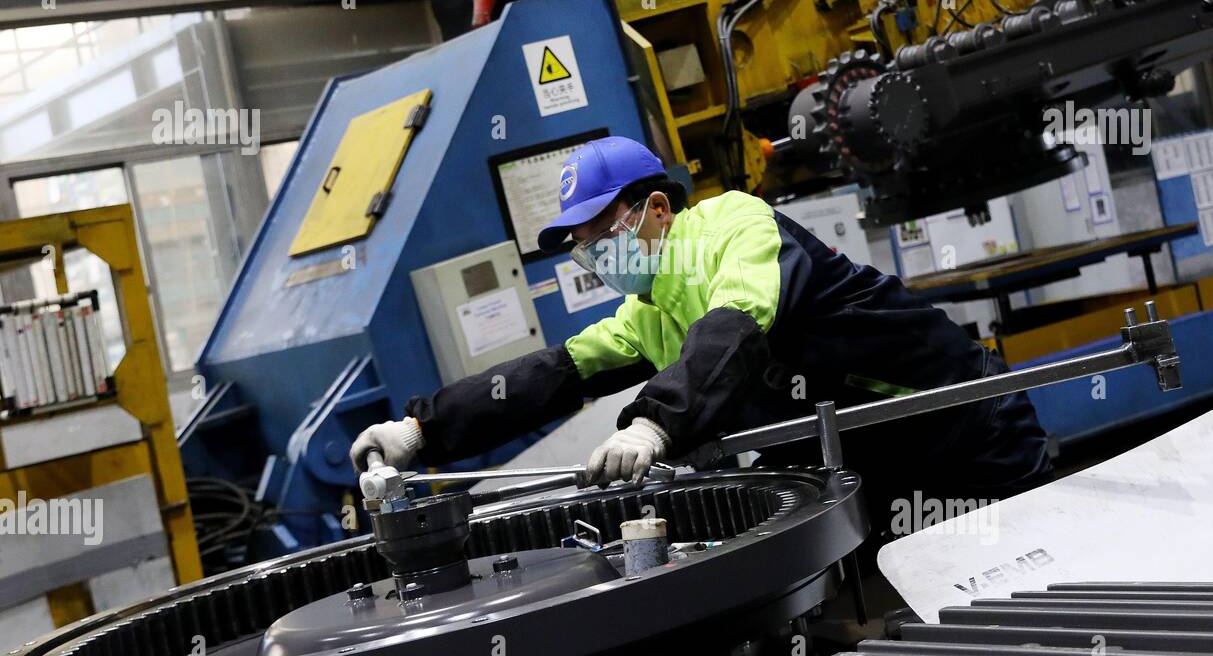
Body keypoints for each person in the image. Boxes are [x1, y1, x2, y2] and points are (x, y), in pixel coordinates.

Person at [350, 135, 1051, 529]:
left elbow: (734, 326)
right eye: (577, 242)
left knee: (1041, 603)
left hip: (968, 429)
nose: (588, 253)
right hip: (875, 468)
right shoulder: (649, 309)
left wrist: (653, 424)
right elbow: (556, 370)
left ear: (655, 208)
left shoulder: (733, 226)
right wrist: (424, 431)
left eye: (599, 232)